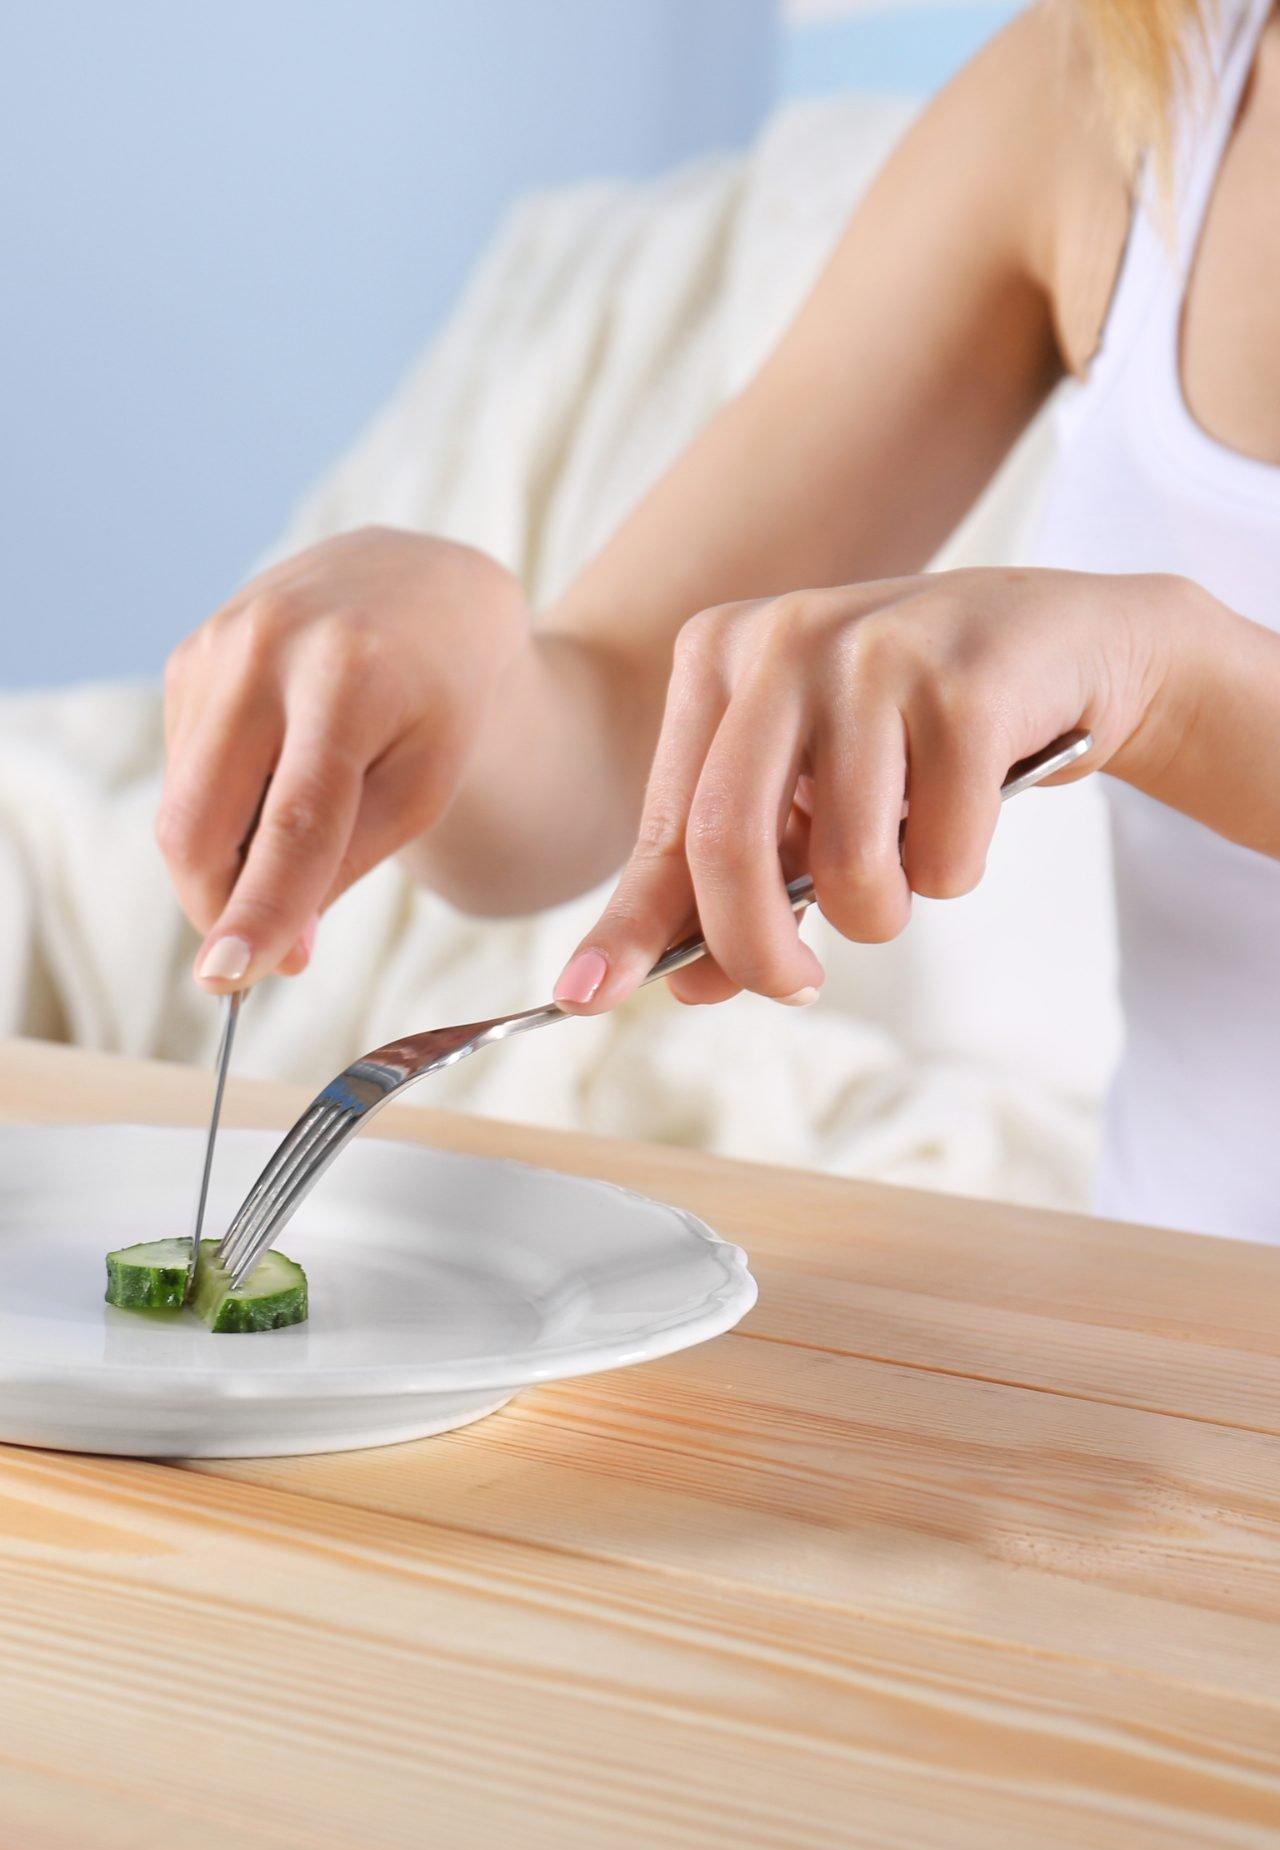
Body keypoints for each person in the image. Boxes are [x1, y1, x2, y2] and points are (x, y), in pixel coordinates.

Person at [158, 0, 1280, 1242]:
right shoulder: (1114, 85)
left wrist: (1174, 687)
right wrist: (465, 667)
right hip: (1175, 1339)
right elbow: (619, 740)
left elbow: (1174, 686)